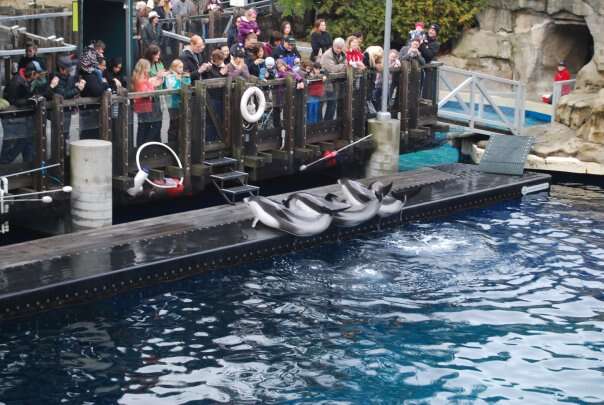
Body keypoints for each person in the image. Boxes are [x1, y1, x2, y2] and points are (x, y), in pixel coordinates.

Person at [0, 62, 43, 164]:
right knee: (12, 145)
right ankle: (4, 170)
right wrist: (29, 101)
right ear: (32, 73)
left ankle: (29, 167)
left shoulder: (26, 80)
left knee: (27, 142)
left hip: (22, 119)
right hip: (12, 120)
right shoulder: (16, 82)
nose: (38, 76)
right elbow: (12, 101)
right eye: (37, 74)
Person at [131, 58, 165, 145]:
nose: (149, 69)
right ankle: (145, 145)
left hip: (144, 105)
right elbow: (145, 93)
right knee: (147, 127)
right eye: (148, 67)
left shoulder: (141, 77)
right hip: (143, 105)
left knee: (144, 127)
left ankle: (143, 146)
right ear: (144, 67)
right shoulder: (139, 78)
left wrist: (154, 82)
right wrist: (152, 85)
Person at [163, 59, 190, 144]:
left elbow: (187, 85)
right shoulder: (169, 76)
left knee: (182, 124)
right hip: (173, 104)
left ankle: (181, 143)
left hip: (183, 103)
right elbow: (173, 87)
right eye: (180, 67)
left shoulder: (184, 75)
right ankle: (172, 143)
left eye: (182, 67)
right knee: (173, 124)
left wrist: (183, 79)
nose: (182, 69)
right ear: (174, 67)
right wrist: (179, 80)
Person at [320, 37, 347, 120]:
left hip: (337, 83)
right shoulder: (327, 55)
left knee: (335, 103)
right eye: (337, 48)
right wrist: (344, 66)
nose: (339, 50)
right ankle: (326, 123)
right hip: (327, 83)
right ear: (333, 46)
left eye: (340, 48)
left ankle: (332, 122)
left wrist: (341, 67)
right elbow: (332, 69)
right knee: (330, 103)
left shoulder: (343, 54)